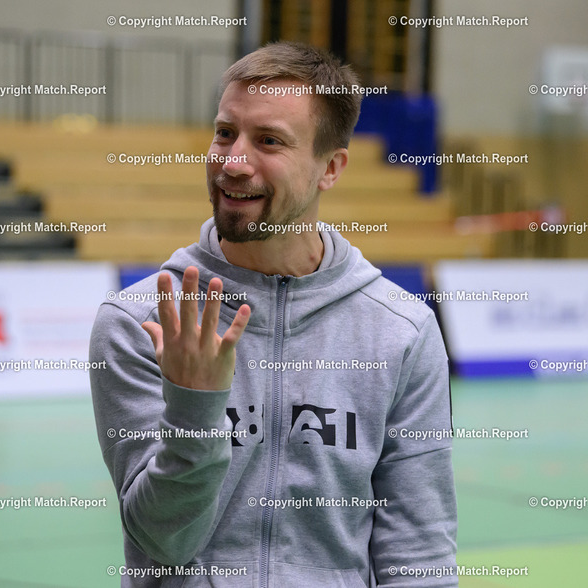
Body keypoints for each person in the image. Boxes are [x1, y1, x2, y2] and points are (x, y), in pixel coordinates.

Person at [90, 41, 457, 587]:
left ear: (330, 168)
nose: (233, 162)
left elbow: (419, 551)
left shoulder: (400, 331)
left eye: (268, 141)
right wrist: (195, 407)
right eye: (225, 133)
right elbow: (163, 541)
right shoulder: (140, 320)